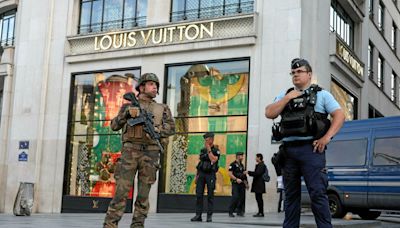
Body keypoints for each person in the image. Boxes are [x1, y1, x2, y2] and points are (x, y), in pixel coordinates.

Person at [265, 58, 345, 228]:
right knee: (291, 197)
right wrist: (287, 98)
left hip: (312, 151)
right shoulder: (285, 95)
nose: (295, 75)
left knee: (317, 194)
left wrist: (326, 138)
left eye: (299, 71)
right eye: (293, 72)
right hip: (289, 153)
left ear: (309, 74)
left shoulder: (322, 95)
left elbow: (339, 115)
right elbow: (269, 113)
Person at [103, 73, 175, 228]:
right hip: (130, 152)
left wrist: (157, 129)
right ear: (141, 87)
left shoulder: (162, 108)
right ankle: (110, 224)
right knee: (121, 193)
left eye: (156, 85)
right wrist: (126, 114)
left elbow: (171, 128)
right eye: (151, 84)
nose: (155, 87)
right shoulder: (129, 105)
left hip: (150, 153)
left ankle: (137, 225)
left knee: (143, 195)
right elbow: (114, 125)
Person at [191, 132, 220, 223]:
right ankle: (198, 215)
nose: (205, 141)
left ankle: (209, 216)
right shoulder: (203, 150)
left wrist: (209, 149)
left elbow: (213, 159)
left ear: (211, 139)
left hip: (210, 174)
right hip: (201, 174)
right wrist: (196, 176)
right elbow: (200, 164)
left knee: (210, 196)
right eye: (205, 140)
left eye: (207, 139)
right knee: (199, 195)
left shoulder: (216, 150)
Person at [228, 151, 247, 217]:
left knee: (242, 198)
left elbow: (243, 175)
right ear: (238, 156)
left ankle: (239, 211)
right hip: (235, 183)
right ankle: (231, 211)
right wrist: (236, 179)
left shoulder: (242, 165)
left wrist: (246, 183)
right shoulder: (232, 164)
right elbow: (230, 174)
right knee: (235, 197)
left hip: (242, 184)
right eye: (241, 156)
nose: (242, 157)